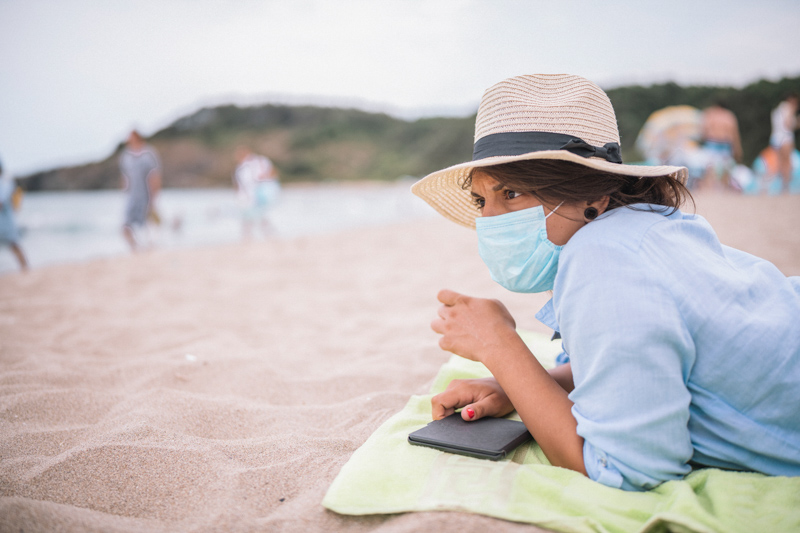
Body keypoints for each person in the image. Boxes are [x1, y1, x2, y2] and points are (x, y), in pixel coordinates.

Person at [411, 74, 800, 492]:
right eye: (481, 200)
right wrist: (523, 386)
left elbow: (627, 468)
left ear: (591, 197)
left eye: (510, 193)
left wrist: (499, 346)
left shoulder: (603, 259)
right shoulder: (649, 230)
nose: (487, 221)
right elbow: (653, 358)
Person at [119, 130, 162, 251]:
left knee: (149, 222)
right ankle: (134, 246)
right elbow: (125, 176)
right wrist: (125, 191)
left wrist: (155, 194)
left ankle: (150, 246)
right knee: (126, 224)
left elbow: (155, 175)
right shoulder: (126, 155)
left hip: (146, 193)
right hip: (132, 195)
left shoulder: (149, 153)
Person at [233, 146, 280, 238]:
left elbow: (273, 173)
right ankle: (267, 234)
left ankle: (251, 236)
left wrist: (264, 178)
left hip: (259, 193)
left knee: (253, 215)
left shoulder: (260, 161)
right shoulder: (239, 167)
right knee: (253, 215)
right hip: (248, 195)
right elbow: (239, 184)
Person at [699, 101, 742, 189]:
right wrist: (737, 148)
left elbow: (704, 131)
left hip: (712, 142)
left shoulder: (709, 114)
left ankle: (710, 188)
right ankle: (724, 188)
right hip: (725, 143)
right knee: (725, 167)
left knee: (710, 167)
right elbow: (735, 134)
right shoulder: (729, 116)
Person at [0, 159, 28, 271]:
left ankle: (25, 268)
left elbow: (1, 202)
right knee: (14, 245)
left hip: (6, 221)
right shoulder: (6, 182)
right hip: (6, 221)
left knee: (14, 245)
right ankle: (25, 268)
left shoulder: (5, 182)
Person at [769, 94, 799, 193]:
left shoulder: (778, 109)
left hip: (775, 138)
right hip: (785, 138)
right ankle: (786, 186)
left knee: (780, 162)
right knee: (787, 163)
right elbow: (788, 124)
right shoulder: (788, 108)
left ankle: (781, 186)